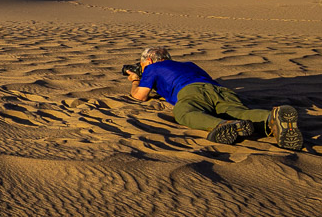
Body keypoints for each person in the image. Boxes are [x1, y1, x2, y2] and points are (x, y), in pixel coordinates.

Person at [126, 46, 303, 150]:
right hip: (220, 90)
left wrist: (135, 79)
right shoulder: (189, 64)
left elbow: (140, 96)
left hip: (191, 92)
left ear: (148, 60)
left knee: (183, 111)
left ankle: (220, 125)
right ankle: (271, 117)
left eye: (142, 65)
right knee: (237, 112)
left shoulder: (151, 68)